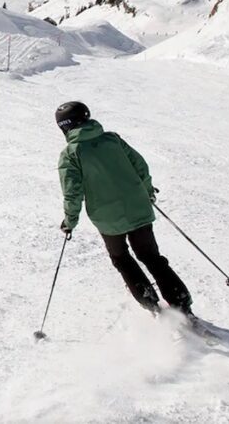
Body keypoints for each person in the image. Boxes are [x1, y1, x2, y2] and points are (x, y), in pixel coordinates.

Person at [55, 101, 192, 315]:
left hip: (107, 218)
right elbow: (140, 166)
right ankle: (180, 302)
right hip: (138, 208)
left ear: (64, 126)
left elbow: (72, 192)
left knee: (121, 258)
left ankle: (150, 303)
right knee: (151, 256)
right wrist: (147, 191)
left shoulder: (71, 153)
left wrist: (70, 221)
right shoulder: (113, 139)